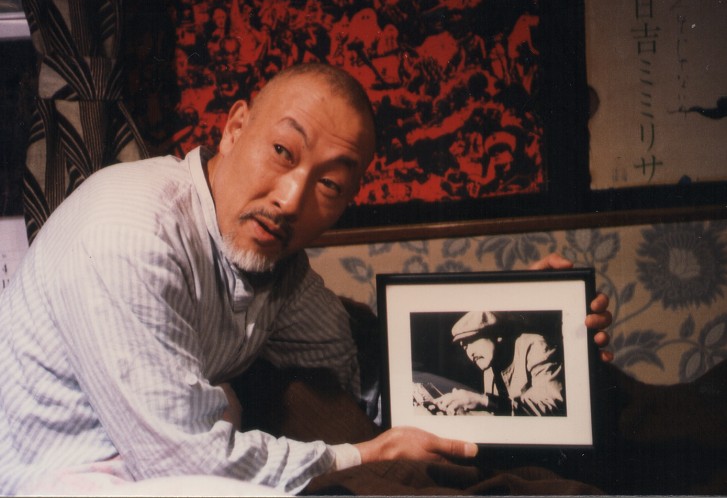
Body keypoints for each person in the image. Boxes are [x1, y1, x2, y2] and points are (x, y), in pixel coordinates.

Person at [0, 63, 612, 495]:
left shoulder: (277, 266)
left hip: (162, 461)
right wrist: (360, 455)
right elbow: (182, 459)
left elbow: (362, 371)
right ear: (235, 127)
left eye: (329, 184)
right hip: (66, 476)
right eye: (283, 153)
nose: (291, 200)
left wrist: (528, 315)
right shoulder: (131, 232)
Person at [435, 311, 565, 416]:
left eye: (472, 341)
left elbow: (552, 406)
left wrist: (483, 400)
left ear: (497, 334)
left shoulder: (534, 345)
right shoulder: (489, 364)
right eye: (465, 347)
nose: (470, 353)